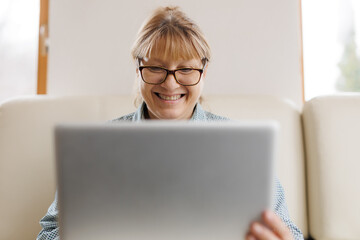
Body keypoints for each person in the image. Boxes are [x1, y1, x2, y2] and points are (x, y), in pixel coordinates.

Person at [37, 6, 304, 240]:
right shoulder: (93, 147)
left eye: (185, 69)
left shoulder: (244, 149)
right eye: (156, 68)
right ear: (138, 68)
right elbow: (47, 233)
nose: (170, 83)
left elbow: (290, 232)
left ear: (203, 72)